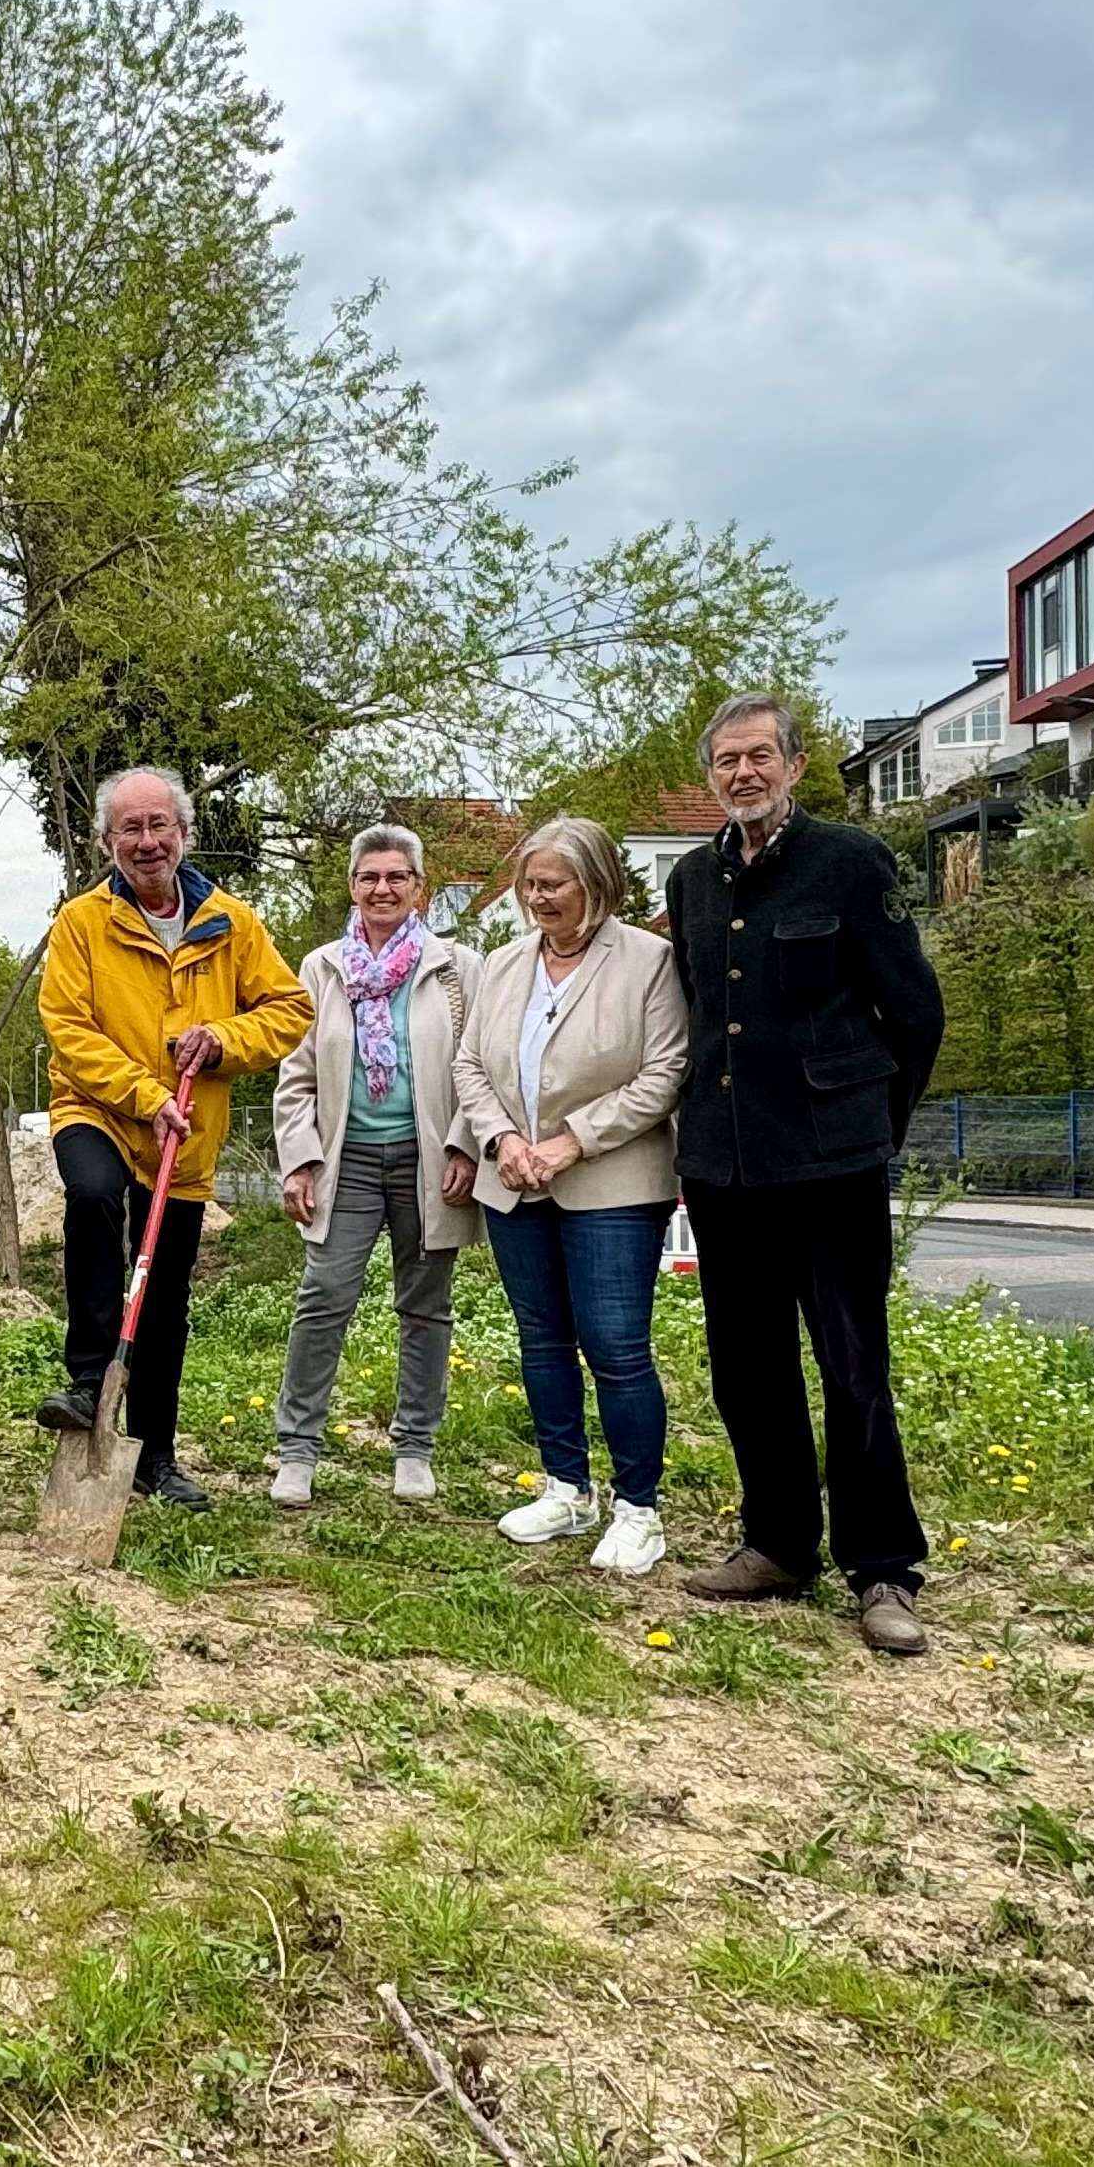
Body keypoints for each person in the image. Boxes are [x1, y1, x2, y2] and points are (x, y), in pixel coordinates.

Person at [666, 690, 946, 1655]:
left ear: (793, 764)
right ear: (711, 776)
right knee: (747, 1368)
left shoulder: (851, 863)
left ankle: (882, 1569)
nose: (742, 773)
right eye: (726, 761)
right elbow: (706, 1010)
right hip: (726, 1164)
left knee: (853, 1365)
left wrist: (869, 1123)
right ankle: (778, 1544)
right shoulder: (695, 881)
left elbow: (914, 1013)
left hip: (832, 1164)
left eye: (759, 757)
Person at [32, 766, 312, 1508]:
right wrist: (145, 1092)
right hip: (99, 1109)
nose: (147, 842)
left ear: (184, 835)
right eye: (130, 828)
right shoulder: (82, 923)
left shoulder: (232, 924)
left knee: (164, 1298)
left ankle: (155, 1454)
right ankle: (90, 1377)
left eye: (160, 826)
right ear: (107, 842)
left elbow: (289, 1010)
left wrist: (222, 1038)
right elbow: (68, 1029)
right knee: (92, 1196)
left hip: (184, 1139)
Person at [451, 816, 690, 1570]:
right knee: (542, 1339)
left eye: (553, 882)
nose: (537, 896)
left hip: (611, 1182)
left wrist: (569, 1141)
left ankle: (638, 1508)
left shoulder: (649, 961)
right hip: (514, 1180)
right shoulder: (505, 962)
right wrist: (503, 1141)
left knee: (616, 1346)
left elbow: (665, 1071)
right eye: (530, 883)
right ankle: (566, 1486)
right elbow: (468, 1065)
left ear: (597, 881)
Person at [262, 825, 482, 1509]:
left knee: (426, 1306)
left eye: (397, 877)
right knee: (324, 1297)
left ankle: (414, 1446)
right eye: (369, 878)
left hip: (429, 1159)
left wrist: (466, 1145)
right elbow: (296, 1077)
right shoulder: (321, 968)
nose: (382, 889)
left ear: (420, 887)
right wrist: (300, 1160)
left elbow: (484, 1068)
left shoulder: (457, 969)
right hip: (347, 1158)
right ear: (352, 887)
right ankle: (297, 1449)